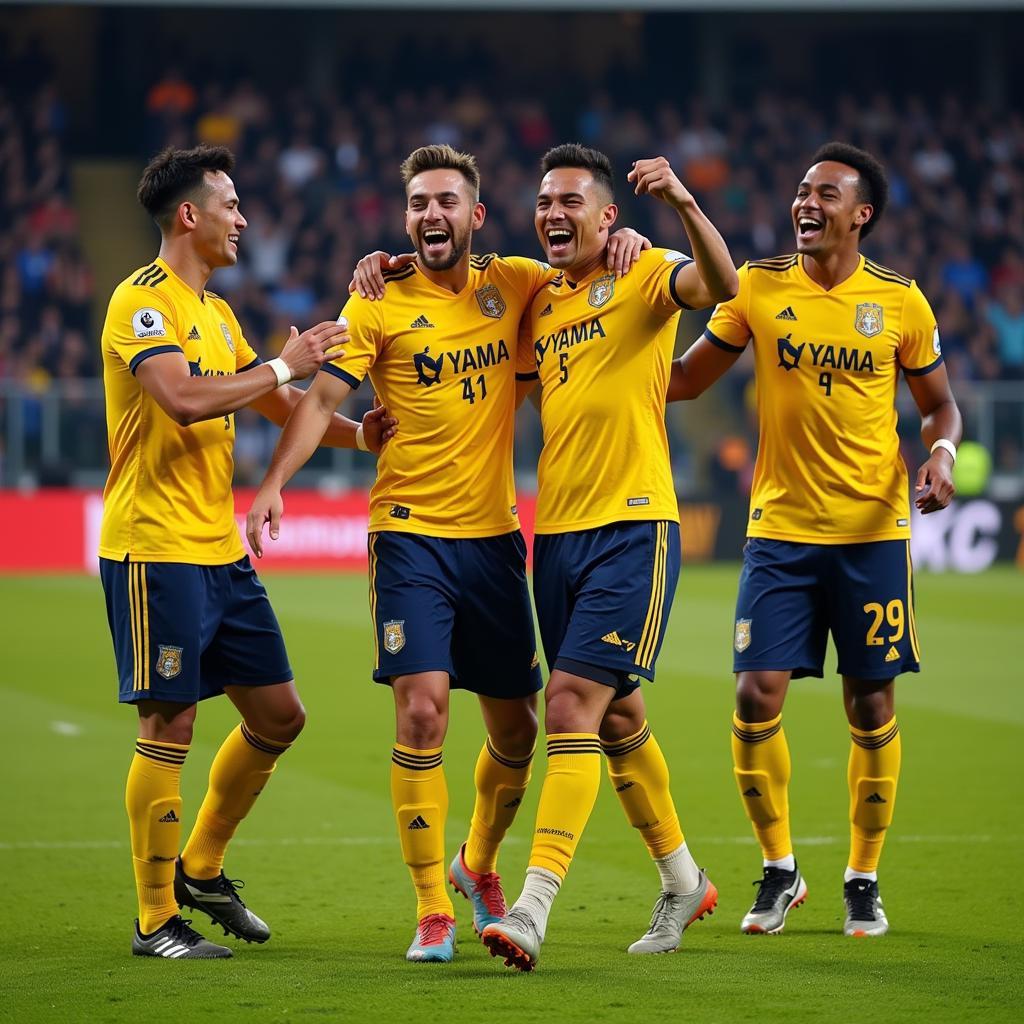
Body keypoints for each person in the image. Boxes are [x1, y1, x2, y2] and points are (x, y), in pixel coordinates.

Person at [246, 144, 647, 964]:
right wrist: (274, 483)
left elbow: (587, 259)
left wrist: (627, 242)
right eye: (419, 204)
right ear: (406, 219)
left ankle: (479, 864)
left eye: (446, 202)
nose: (431, 215)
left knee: (518, 729)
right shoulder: (376, 303)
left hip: (495, 542)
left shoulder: (520, 283)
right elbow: (323, 398)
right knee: (422, 709)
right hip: (408, 536)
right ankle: (433, 906)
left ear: (476, 216)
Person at [100, 144, 393, 959]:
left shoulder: (218, 313)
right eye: (231, 204)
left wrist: (357, 436)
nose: (244, 219)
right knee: (171, 720)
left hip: (217, 550)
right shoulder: (141, 303)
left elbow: (277, 400)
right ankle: (155, 919)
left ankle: (201, 866)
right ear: (190, 215)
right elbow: (184, 399)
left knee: (279, 714)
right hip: (152, 549)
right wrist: (282, 361)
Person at [665, 141, 962, 937]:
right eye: (802, 188)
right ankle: (779, 870)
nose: (806, 201)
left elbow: (939, 405)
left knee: (870, 702)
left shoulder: (901, 302)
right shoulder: (757, 287)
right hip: (779, 531)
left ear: (860, 215)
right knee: (753, 694)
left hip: (872, 532)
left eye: (825, 192)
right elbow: (687, 377)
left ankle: (862, 877)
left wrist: (942, 453)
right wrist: (603, 363)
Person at [480, 144, 738, 972]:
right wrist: (384, 264)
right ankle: (684, 879)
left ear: (607, 216)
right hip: (554, 536)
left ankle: (531, 907)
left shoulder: (648, 267)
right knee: (616, 717)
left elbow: (723, 287)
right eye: (544, 201)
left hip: (633, 527)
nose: (553, 214)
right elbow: (454, 272)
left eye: (571, 203)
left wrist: (685, 205)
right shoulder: (537, 296)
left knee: (569, 707)